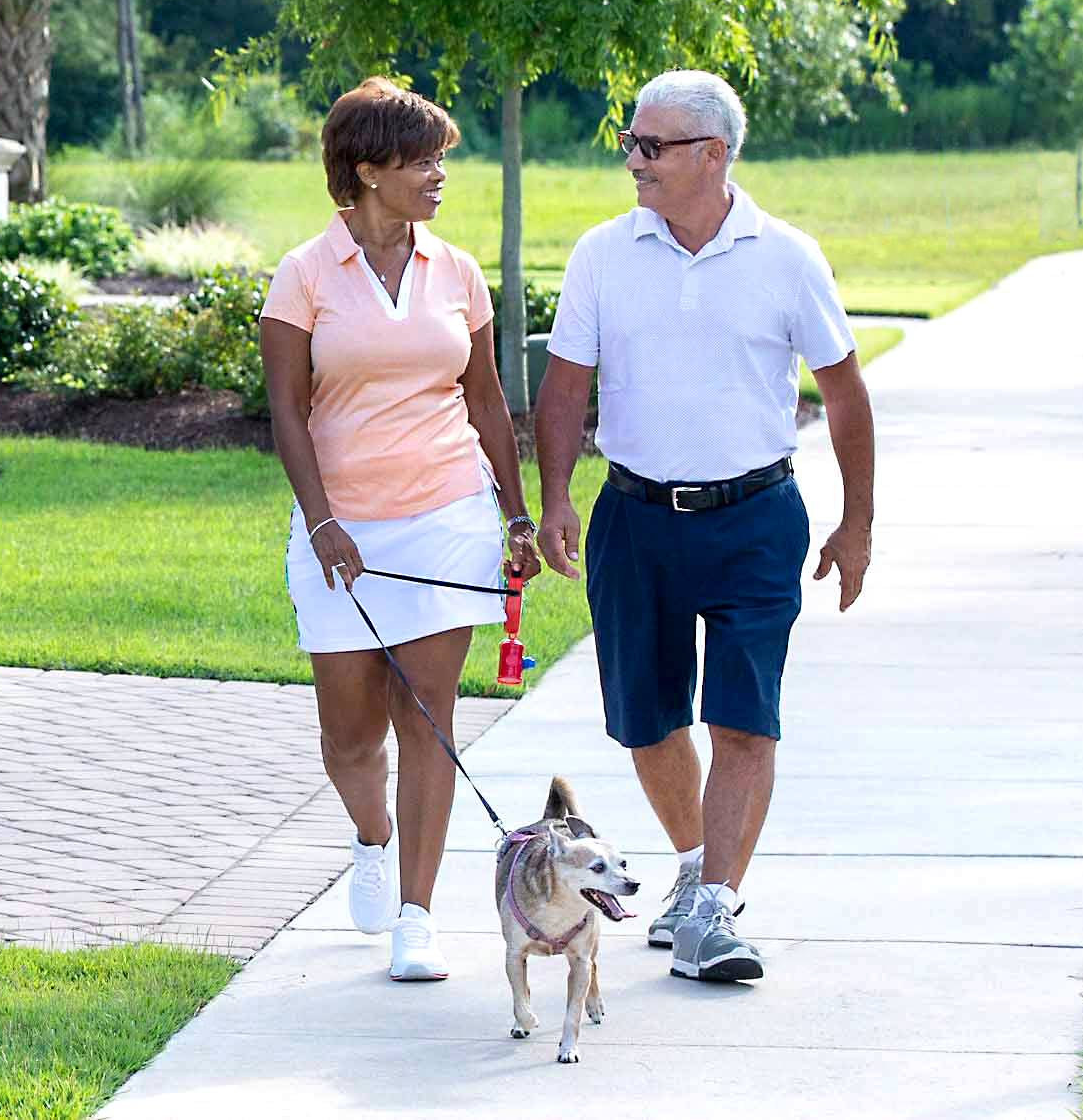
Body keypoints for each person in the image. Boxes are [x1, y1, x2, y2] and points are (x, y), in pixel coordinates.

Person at [529, 69, 875, 986]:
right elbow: (567, 383)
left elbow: (843, 393)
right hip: (635, 519)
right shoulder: (604, 254)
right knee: (645, 720)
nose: (633, 160)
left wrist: (858, 523)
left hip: (756, 518)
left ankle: (714, 912)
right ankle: (693, 865)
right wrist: (555, 495)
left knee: (744, 721)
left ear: (712, 155)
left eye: (652, 146)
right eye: (631, 143)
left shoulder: (788, 256)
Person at [260, 77, 538, 982]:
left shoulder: (456, 271)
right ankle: (371, 836)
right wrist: (323, 518)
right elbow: (288, 412)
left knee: (428, 717)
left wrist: (515, 509)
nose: (438, 174)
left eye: (442, 157)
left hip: (444, 513)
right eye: (421, 159)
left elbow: (487, 400)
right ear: (368, 169)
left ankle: (418, 915)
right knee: (349, 735)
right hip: (341, 526)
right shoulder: (304, 273)